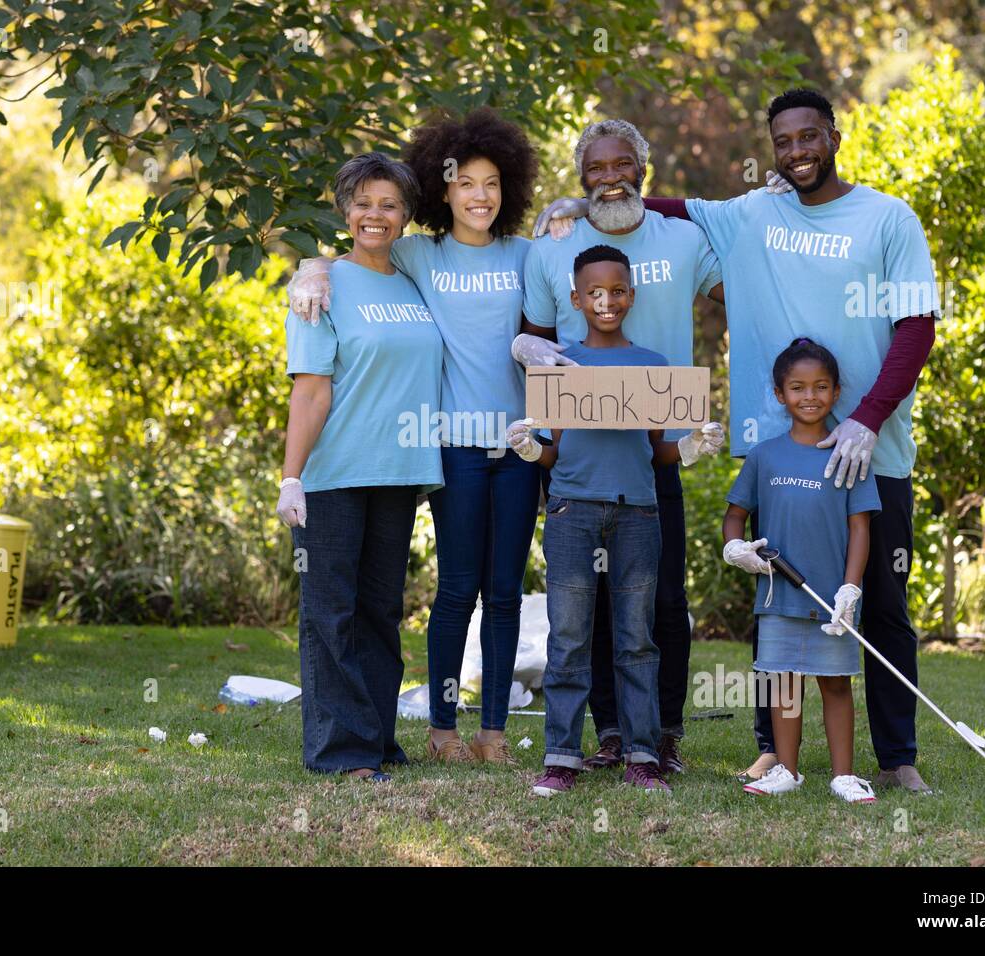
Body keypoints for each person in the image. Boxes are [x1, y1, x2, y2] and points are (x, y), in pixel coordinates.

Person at [534, 90, 940, 793]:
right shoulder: (748, 212)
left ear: (834, 136)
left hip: (866, 445)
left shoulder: (888, 218)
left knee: (879, 600)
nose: (797, 152)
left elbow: (917, 329)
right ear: (773, 149)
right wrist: (580, 205)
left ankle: (896, 756)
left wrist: (867, 418)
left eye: (809, 137)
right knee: (774, 597)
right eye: (784, 142)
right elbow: (659, 206)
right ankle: (769, 748)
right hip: (777, 445)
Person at [284, 109, 541, 766]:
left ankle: (435, 738)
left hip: (459, 459)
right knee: (406, 599)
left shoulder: (487, 260)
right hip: (395, 459)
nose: (479, 195)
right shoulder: (397, 261)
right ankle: (391, 741)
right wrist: (308, 268)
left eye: (492, 184)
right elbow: (349, 258)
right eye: (466, 183)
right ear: (444, 188)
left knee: (438, 602)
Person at [515, 118, 726, 778]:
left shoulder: (685, 238)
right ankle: (607, 732)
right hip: (579, 461)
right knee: (587, 610)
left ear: (643, 168)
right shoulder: (552, 246)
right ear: (580, 180)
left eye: (622, 165)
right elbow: (537, 339)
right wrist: (526, 364)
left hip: (655, 449)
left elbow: (748, 291)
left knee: (661, 605)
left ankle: (658, 735)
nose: (610, 178)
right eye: (596, 170)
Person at [276, 152, 443, 782]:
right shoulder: (319, 288)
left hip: (398, 473)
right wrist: (291, 477)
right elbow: (311, 390)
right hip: (335, 474)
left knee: (379, 612)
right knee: (331, 613)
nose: (376, 214)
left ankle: (374, 740)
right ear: (346, 211)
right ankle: (340, 752)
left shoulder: (411, 279)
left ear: (405, 215)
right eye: (364, 202)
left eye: (390, 204)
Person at [722, 338, 880, 803]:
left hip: (832, 598)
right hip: (779, 594)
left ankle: (844, 775)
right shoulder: (764, 455)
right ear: (779, 394)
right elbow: (736, 514)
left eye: (820, 387)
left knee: (835, 684)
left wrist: (851, 587)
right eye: (797, 387)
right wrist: (735, 546)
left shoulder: (850, 453)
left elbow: (860, 527)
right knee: (785, 683)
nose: (809, 396)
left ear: (835, 392)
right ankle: (786, 770)